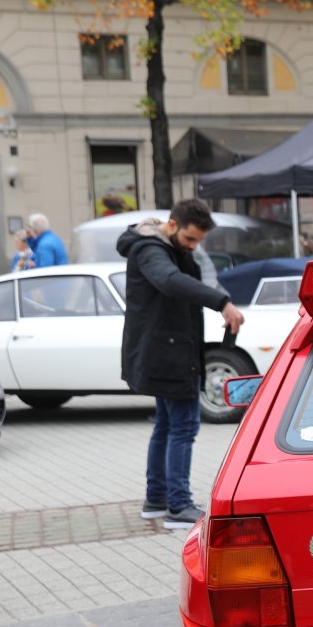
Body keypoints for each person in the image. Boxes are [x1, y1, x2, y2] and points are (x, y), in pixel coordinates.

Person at [117, 200, 245, 530]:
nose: (193, 246)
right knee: (183, 427)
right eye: (190, 239)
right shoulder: (151, 249)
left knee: (166, 425)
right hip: (169, 354)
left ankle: (157, 500)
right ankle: (178, 505)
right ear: (172, 225)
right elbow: (171, 281)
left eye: (198, 241)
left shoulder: (167, 247)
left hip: (168, 350)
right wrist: (222, 303)